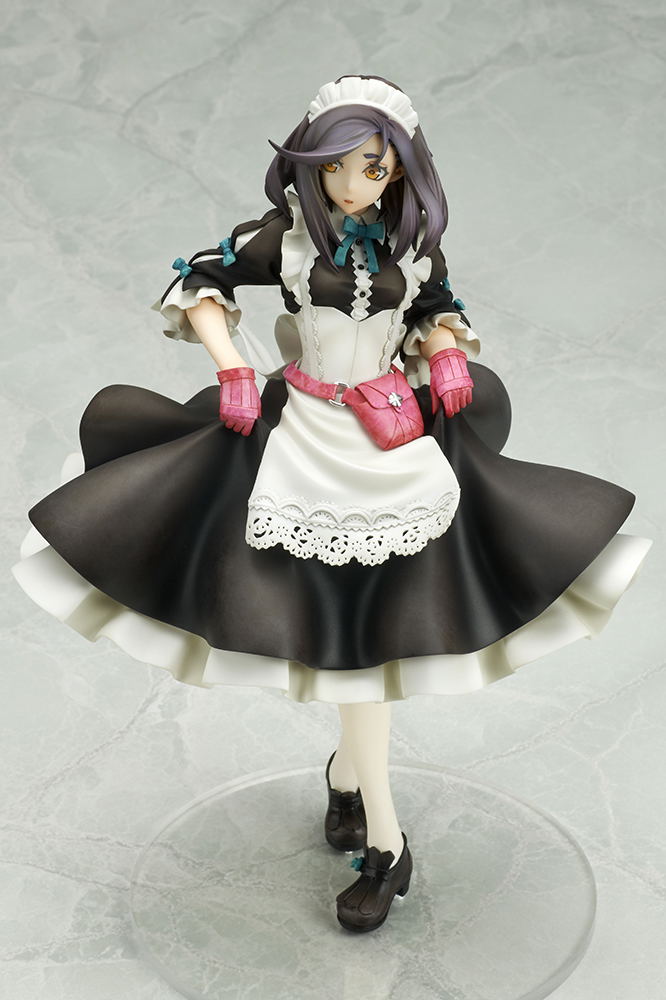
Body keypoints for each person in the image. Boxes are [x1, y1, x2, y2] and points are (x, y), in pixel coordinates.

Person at [12, 74, 651, 934]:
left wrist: (445, 349)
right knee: (348, 639)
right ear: (310, 165)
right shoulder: (281, 239)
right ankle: (372, 816)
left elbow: (437, 309)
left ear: (401, 171)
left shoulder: (411, 253)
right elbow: (198, 282)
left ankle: (369, 817)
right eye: (336, 168)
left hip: (389, 443)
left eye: (373, 170)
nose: (353, 186)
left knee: (372, 639)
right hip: (299, 436)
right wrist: (233, 367)